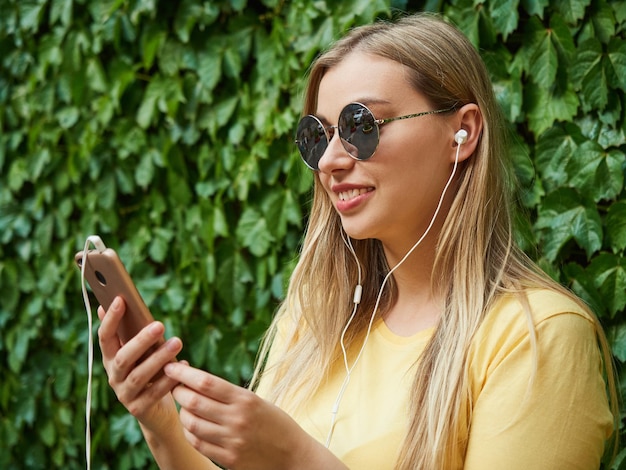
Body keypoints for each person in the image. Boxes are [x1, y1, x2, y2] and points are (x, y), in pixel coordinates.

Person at [97, 13, 616, 470]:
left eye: (361, 125)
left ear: (464, 133)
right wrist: (163, 423)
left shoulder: (535, 335)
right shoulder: (314, 319)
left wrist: (296, 459)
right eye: (317, 136)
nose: (329, 161)